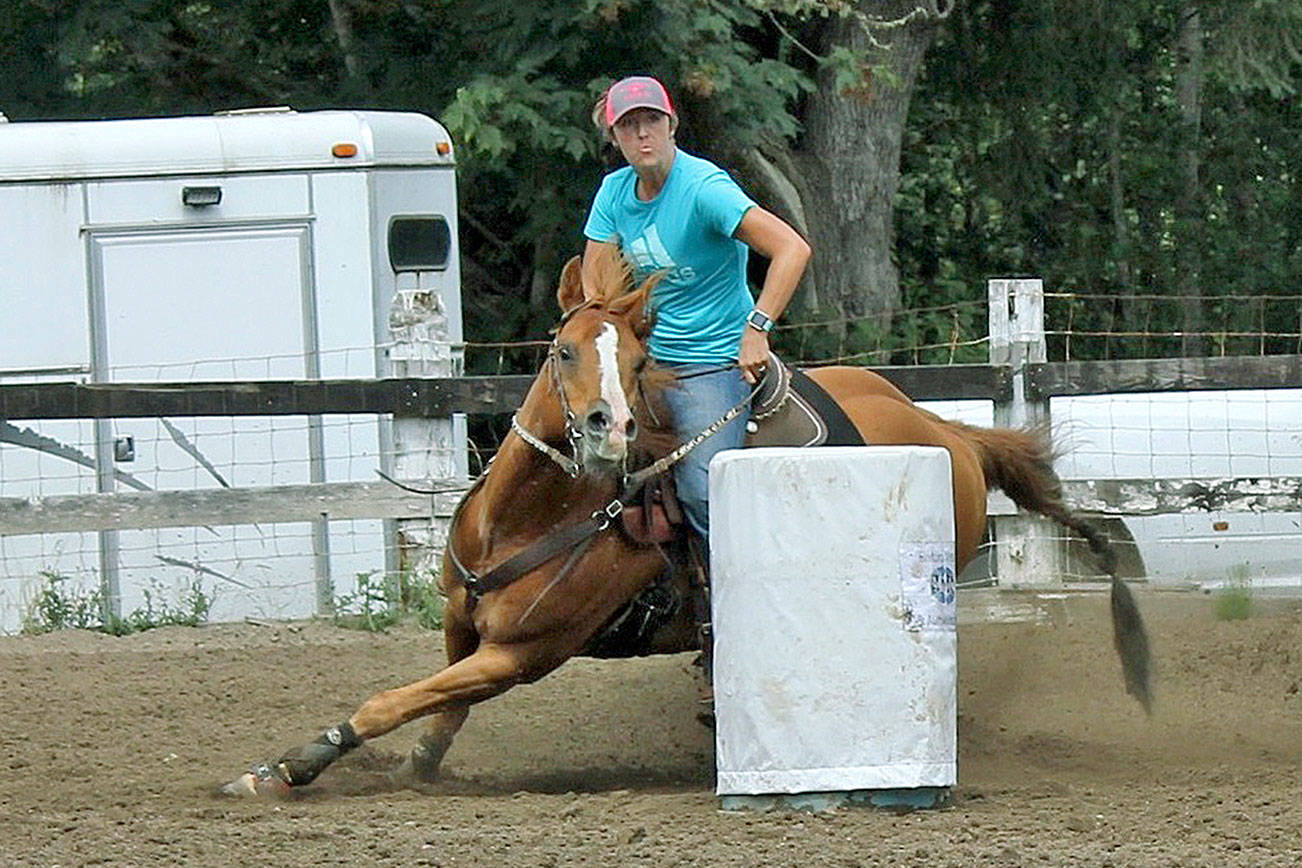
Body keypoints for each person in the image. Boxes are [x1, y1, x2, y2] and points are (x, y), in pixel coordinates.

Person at [582, 74, 812, 545]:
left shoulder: (705, 189)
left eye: (652, 120)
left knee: (703, 488)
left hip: (712, 360)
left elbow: (792, 248)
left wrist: (758, 329)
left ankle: (730, 599)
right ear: (615, 138)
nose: (642, 133)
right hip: (646, 363)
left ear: (672, 125)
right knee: (591, 471)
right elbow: (594, 286)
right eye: (629, 126)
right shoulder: (613, 194)